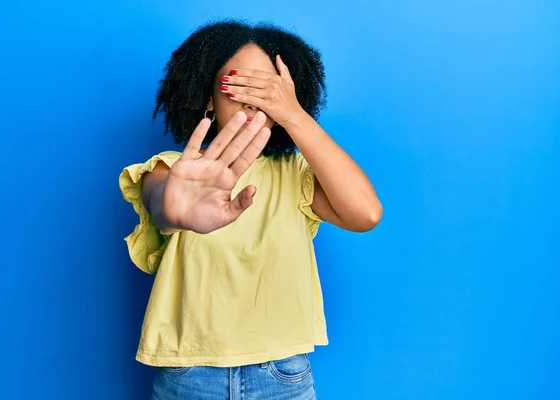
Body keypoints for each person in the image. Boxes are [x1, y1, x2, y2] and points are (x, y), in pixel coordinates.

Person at [119, 19, 382, 400]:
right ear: (209, 97)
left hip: (281, 375)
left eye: (268, 90)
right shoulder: (171, 169)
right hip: (190, 372)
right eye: (237, 85)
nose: (251, 99)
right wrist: (175, 210)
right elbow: (162, 204)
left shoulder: (296, 174)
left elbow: (366, 214)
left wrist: (293, 116)